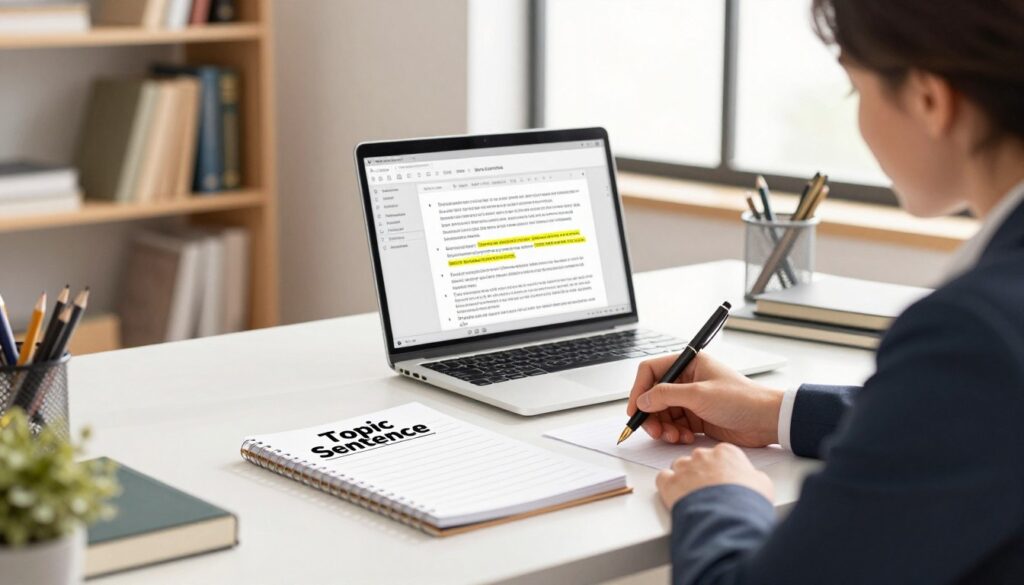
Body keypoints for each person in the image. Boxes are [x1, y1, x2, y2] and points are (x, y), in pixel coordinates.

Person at [624, 1, 1024, 583]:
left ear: (930, 100)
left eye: (856, 90)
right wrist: (774, 412)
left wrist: (720, 495)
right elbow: (976, 420)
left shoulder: (974, 330)